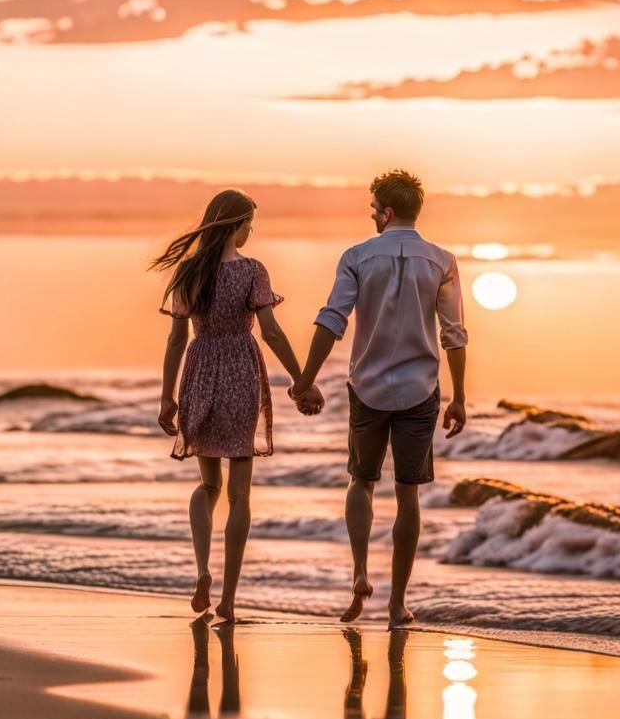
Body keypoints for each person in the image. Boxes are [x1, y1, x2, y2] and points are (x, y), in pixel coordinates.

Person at [290, 170, 468, 626]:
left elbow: (332, 320)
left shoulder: (357, 257)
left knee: (361, 481)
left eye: (373, 208)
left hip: (367, 387)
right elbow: (454, 336)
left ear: (387, 212)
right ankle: (397, 605)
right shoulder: (442, 261)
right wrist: (460, 397)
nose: (371, 215)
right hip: (419, 390)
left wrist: (305, 380)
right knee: (408, 496)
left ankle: (361, 571)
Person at [153, 189, 322, 622]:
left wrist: (166, 397)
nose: (251, 232)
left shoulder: (190, 271)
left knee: (207, 487)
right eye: (249, 224)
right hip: (240, 375)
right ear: (237, 226)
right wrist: (302, 380)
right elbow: (272, 334)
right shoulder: (252, 271)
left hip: (199, 371)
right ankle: (228, 600)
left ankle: (201, 571)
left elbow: (176, 340)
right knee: (239, 494)